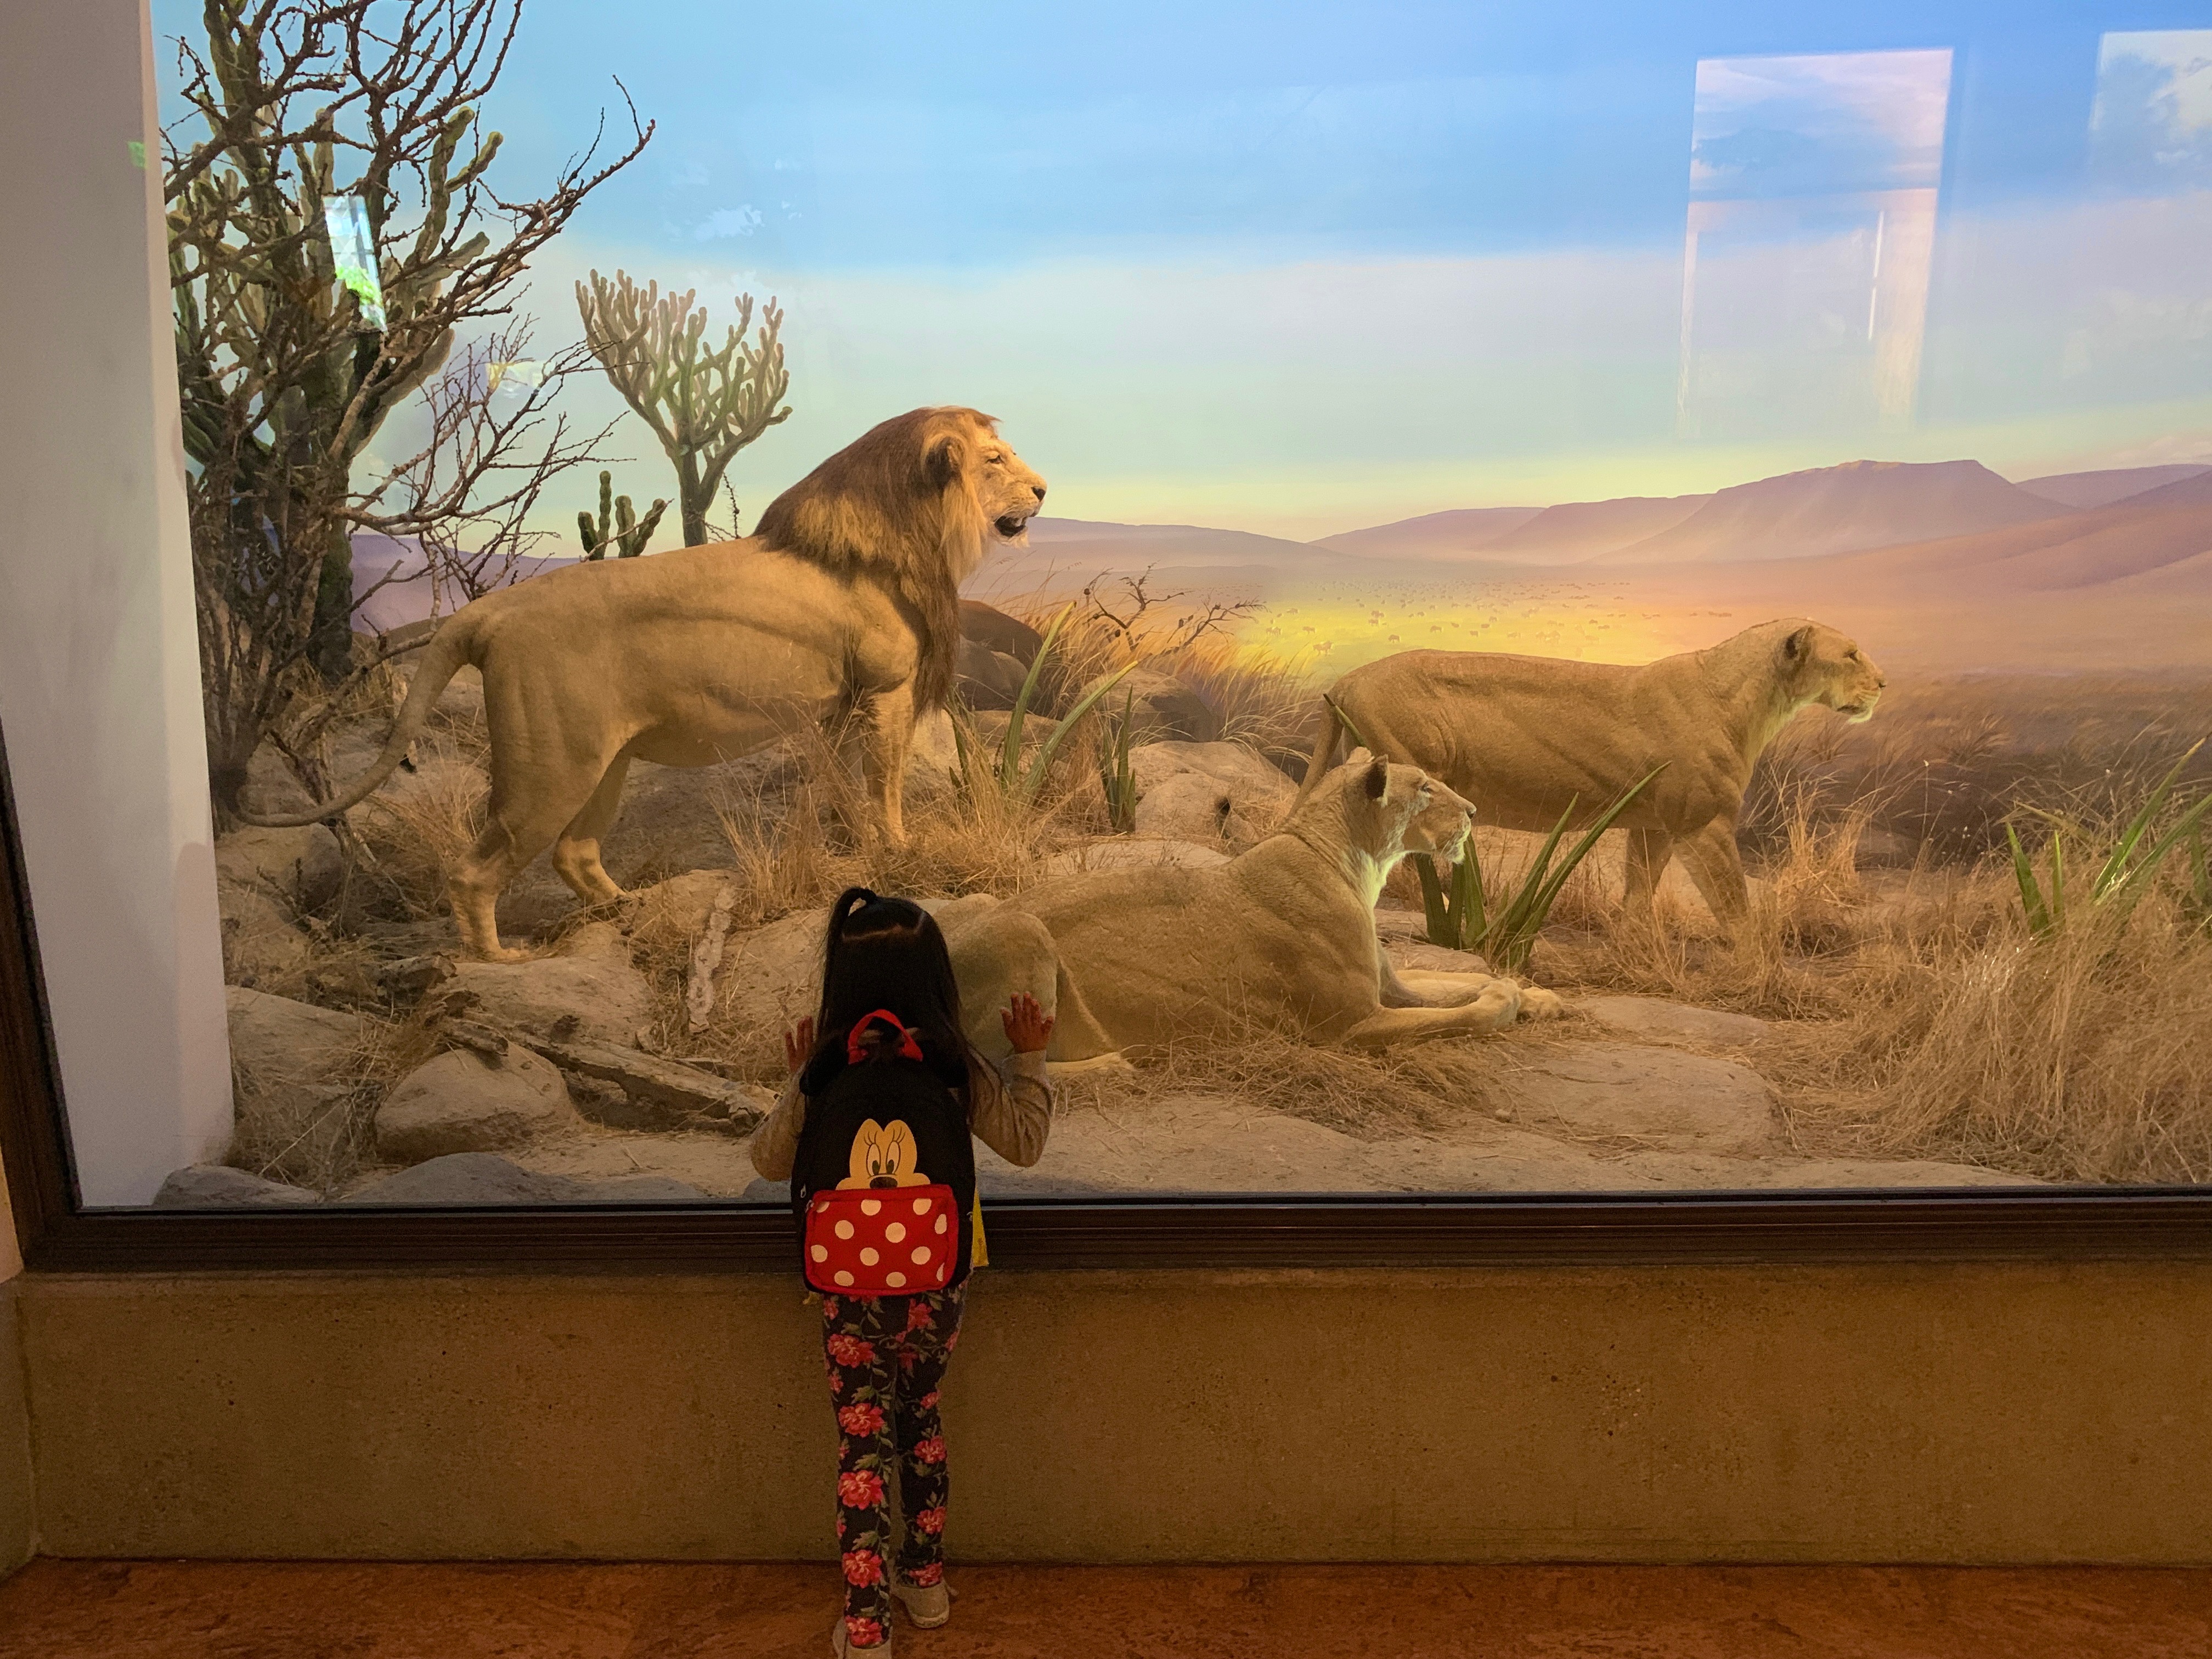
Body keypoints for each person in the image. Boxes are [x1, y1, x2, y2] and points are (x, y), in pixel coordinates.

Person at [749, 887, 1056, 1657]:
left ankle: (864, 1628)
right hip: (936, 1287)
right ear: (937, 979)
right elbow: (1023, 1143)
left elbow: (767, 1161)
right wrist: (1030, 1056)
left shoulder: (827, 1068)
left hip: (848, 1294)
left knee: (862, 1446)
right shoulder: (954, 1062)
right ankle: (924, 1584)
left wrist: (797, 1080)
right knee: (920, 1422)